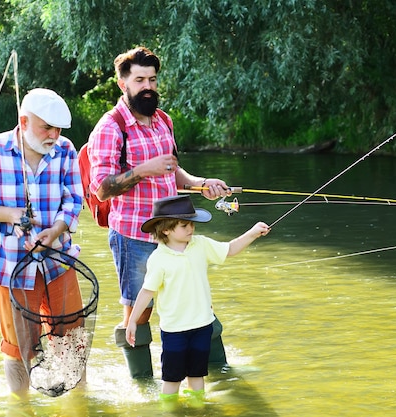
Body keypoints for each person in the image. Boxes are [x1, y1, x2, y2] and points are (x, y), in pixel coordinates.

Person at [87, 46, 232, 378]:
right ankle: (143, 384)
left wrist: (201, 183)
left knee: (197, 302)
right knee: (139, 314)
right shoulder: (111, 127)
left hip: (174, 233)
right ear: (123, 82)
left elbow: (173, 172)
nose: (147, 86)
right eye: (139, 80)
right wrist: (142, 170)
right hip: (134, 236)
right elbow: (101, 188)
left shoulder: (162, 119)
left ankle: (220, 375)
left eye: (152, 79)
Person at [0, 88, 84, 396]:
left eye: (58, 129)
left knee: (72, 341)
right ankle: (21, 406)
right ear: (24, 120)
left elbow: (74, 200)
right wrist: (8, 214)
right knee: (18, 348)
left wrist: (56, 230)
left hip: (58, 261)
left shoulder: (66, 149)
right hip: (8, 266)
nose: (53, 135)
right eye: (46, 127)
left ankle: (79, 404)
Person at [126, 195, 270, 403]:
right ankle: (170, 411)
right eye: (184, 225)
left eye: (192, 224)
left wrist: (253, 233)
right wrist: (132, 321)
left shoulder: (200, 245)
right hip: (174, 330)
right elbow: (147, 292)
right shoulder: (158, 259)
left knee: (197, 375)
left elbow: (229, 250)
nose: (190, 229)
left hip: (203, 325)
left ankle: (198, 408)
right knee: (172, 379)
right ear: (166, 229)